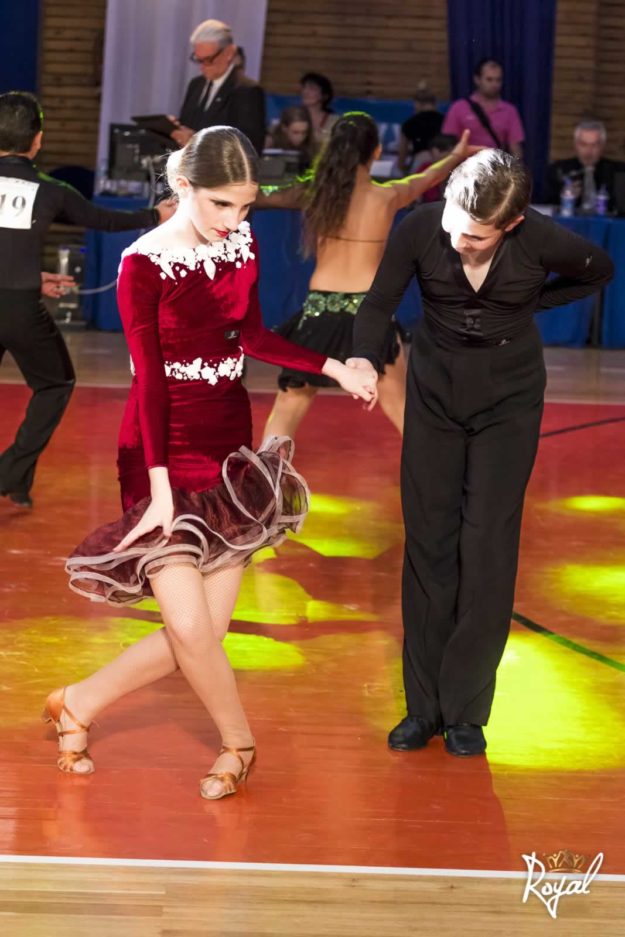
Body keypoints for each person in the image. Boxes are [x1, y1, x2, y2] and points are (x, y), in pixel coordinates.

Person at [54, 127, 376, 801]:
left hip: (227, 445)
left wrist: (334, 367)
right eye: (222, 203)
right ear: (183, 187)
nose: (235, 219)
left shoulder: (240, 243)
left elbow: (251, 335)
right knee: (191, 626)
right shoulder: (143, 264)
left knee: (203, 633)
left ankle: (77, 702)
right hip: (158, 451)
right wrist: (160, 491)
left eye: (246, 205)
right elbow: (149, 384)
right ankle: (239, 743)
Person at [349, 149, 613, 757]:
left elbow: (597, 270)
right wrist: (362, 356)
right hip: (434, 394)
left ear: (511, 224)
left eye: (475, 235)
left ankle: (466, 711)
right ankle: (423, 708)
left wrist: (529, 304)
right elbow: (379, 302)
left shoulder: (540, 238)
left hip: (509, 400)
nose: (458, 240)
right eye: (455, 224)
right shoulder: (421, 228)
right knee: (429, 540)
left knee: (487, 543)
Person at [256, 113, 479, 439]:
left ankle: (265, 471)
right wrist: (456, 155)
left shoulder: (316, 194)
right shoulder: (387, 196)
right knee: (401, 406)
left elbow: (260, 193)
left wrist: (204, 182)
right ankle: (440, 471)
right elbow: (428, 177)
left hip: (319, 314)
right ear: (376, 151)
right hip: (370, 317)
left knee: (288, 407)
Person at [0, 91, 173, 510]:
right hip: (18, 309)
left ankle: (15, 478)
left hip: (17, 291)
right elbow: (102, 220)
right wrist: (155, 216)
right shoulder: (49, 190)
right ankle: (10, 473)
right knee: (55, 383)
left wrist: (31, 276)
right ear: (37, 140)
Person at [171, 20, 266, 154]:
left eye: (209, 60)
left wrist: (197, 141)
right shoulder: (196, 85)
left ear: (229, 53)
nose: (203, 67)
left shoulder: (246, 91)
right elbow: (189, 126)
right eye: (198, 60)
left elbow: (249, 147)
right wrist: (174, 128)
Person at [443, 58, 524, 159]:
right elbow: (447, 146)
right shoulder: (458, 108)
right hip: (466, 165)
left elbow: (515, 149)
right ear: (477, 80)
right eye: (489, 79)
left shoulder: (509, 111)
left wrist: (514, 167)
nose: (494, 85)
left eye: (498, 80)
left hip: (495, 165)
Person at [545, 119, 625, 211]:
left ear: (602, 146)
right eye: (583, 145)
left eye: (594, 145)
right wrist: (565, 195)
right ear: (575, 145)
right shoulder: (558, 170)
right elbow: (544, 206)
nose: (588, 151)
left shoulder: (619, 172)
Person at [397, 88, 444, 173]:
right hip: (440, 162)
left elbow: (403, 151)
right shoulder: (445, 121)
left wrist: (402, 167)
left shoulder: (409, 123)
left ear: (417, 103)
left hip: (420, 161)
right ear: (435, 103)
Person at [265, 105, 316, 172]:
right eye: (295, 132)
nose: (300, 137)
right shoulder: (270, 144)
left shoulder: (313, 147)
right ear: (284, 128)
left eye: (304, 132)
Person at [300, 72, 339, 148]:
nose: (305, 92)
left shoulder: (335, 121)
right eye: (304, 87)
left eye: (312, 89)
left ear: (324, 95)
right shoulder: (293, 117)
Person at [416, 134, 459, 203]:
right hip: (428, 206)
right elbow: (416, 196)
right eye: (442, 150)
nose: (445, 154)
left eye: (449, 150)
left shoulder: (462, 169)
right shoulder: (424, 169)